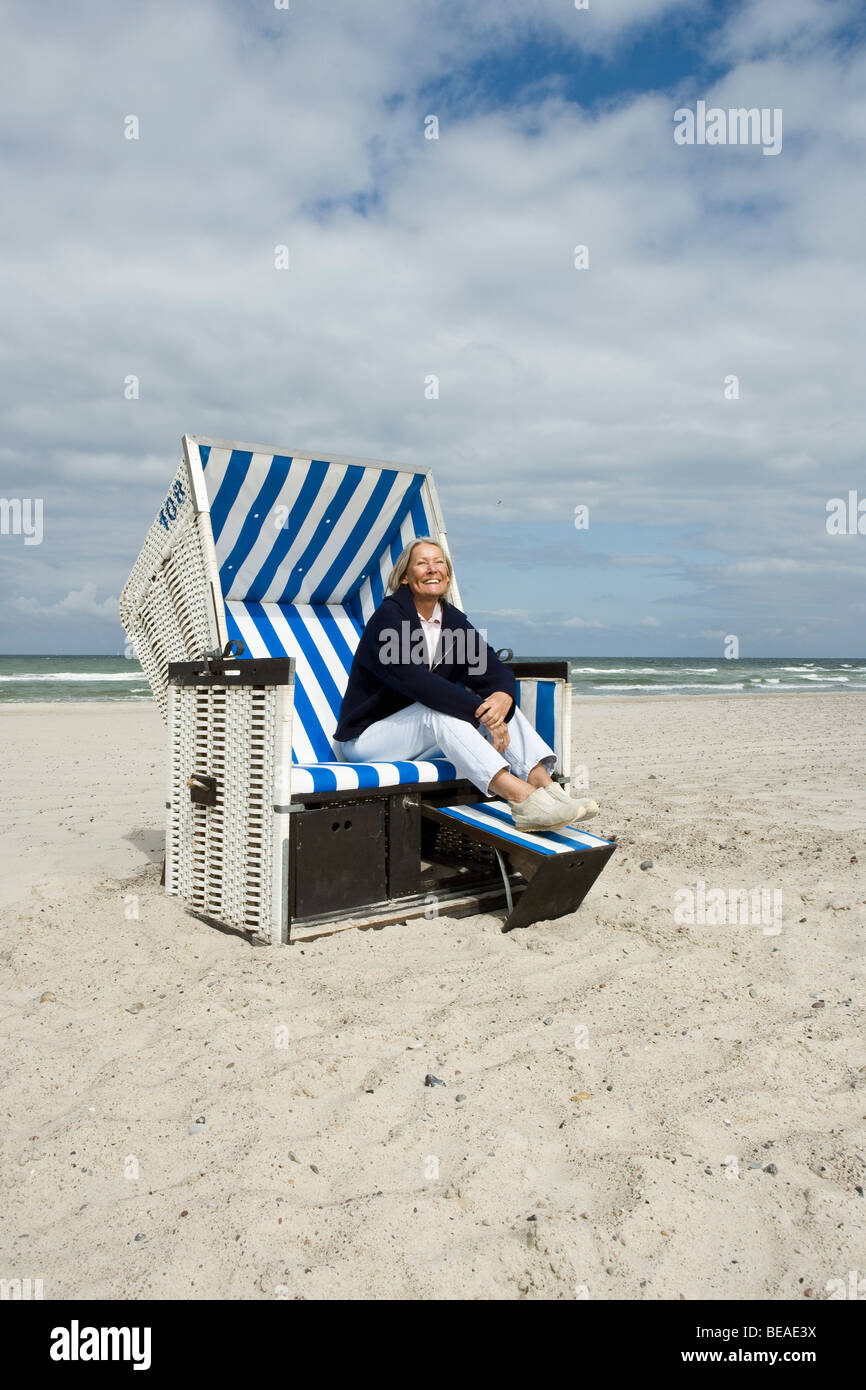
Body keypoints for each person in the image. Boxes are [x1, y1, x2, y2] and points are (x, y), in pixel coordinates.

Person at [334, 538, 598, 832]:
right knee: (442, 711)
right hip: (368, 740)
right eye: (422, 563)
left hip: (420, 738)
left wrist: (502, 696)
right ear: (405, 577)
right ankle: (523, 800)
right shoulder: (389, 617)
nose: (432, 569)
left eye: (439, 563)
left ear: (447, 575)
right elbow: (416, 681)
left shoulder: (453, 623)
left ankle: (545, 787)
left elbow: (492, 667)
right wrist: (480, 712)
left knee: (497, 706)